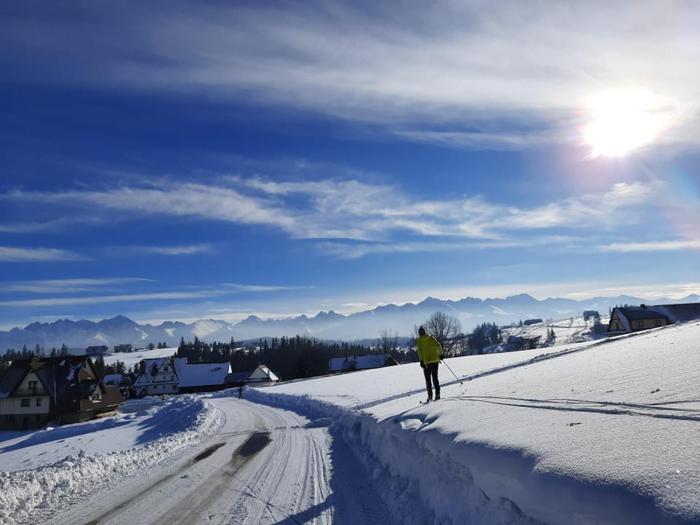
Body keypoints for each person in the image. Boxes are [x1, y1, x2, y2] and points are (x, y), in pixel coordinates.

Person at [416, 326, 442, 402]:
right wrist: (441, 354)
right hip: (435, 361)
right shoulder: (431, 338)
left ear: (419, 333)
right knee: (435, 378)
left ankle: (430, 396)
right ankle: (438, 394)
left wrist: (421, 361)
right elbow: (438, 345)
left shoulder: (419, 341)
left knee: (428, 381)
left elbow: (420, 352)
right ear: (425, 332)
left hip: (426, 363)